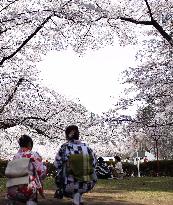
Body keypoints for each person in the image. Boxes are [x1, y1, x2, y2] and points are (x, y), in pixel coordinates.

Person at [54, 125, 97, 205]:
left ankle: (76, 198)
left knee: (64, 172)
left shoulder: (65, 147)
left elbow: (57, 163)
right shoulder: (87, 148)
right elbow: (94, 163)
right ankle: (79, 198)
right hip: (88, 183)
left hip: (70, 184)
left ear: (67, 135)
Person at [6, 135, 47, 205]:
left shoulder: (16, 156)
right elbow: (40, 171)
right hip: (28, 187)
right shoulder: (34, 155)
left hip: (13, 188)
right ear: (29, 144)